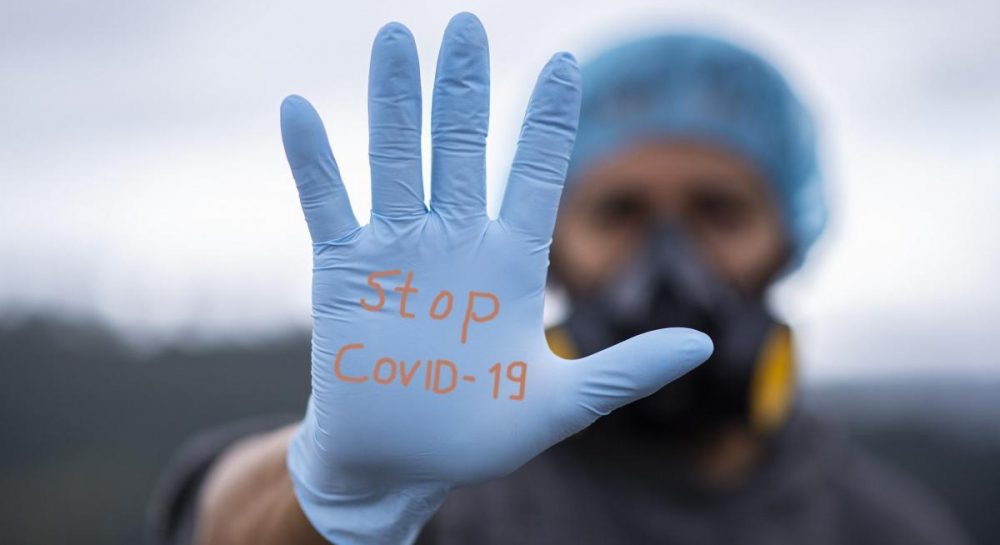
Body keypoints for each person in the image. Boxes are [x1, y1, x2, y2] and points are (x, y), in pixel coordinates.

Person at [146, 13, 972, 545]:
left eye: (719, 211)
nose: (670, 261)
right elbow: (211, 524)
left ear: (789, 239)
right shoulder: (457, 483)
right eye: (619, 212)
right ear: (551, 242)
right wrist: (333, 488)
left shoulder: (892, 527)